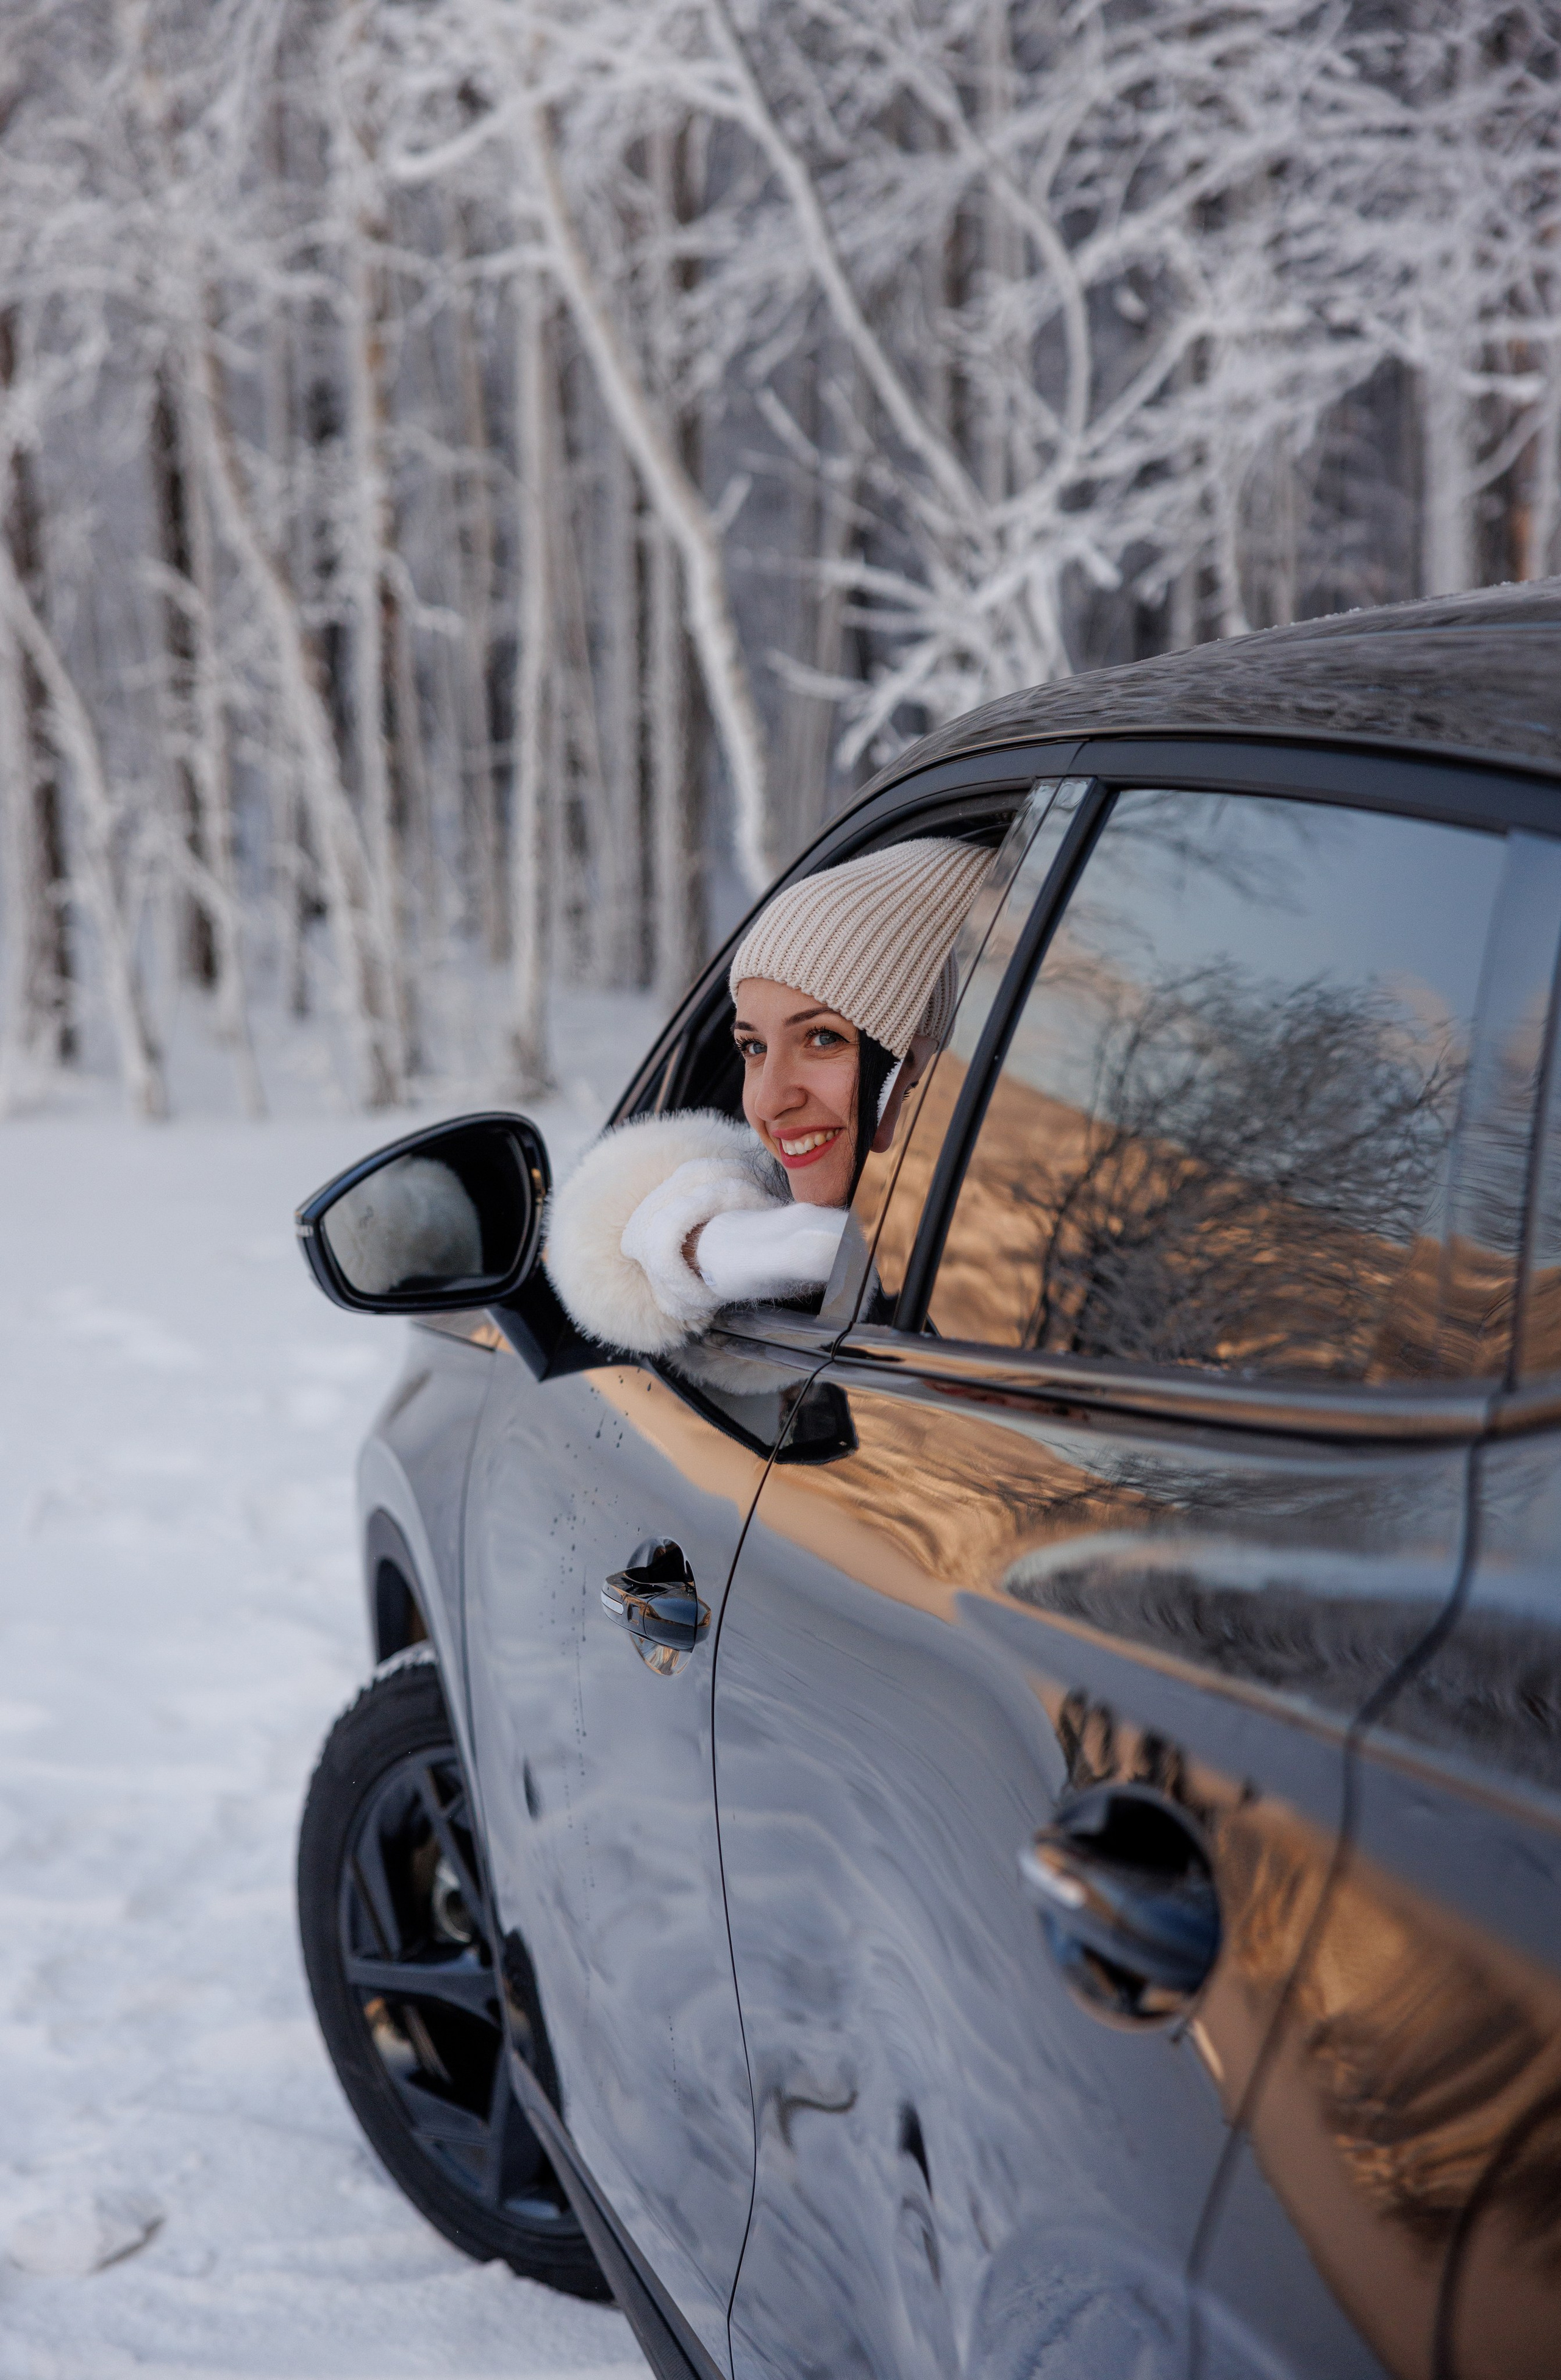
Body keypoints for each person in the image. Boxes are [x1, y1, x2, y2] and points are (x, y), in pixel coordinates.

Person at [545, 837, 991, 1359]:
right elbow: (596, 1226)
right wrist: (699, 1245)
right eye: (753, 1047)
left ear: (915, 1061)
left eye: (823, 1038)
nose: (770, 1100)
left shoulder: (1009, 1220)